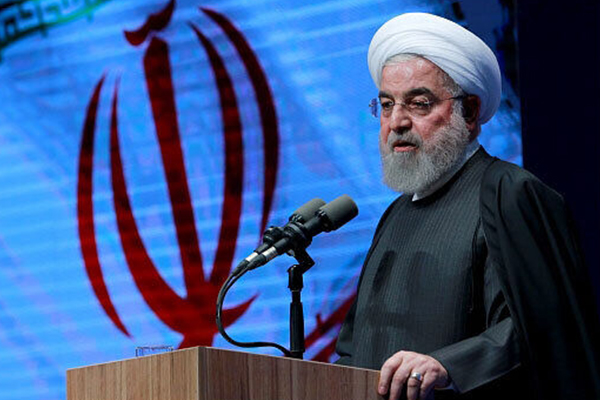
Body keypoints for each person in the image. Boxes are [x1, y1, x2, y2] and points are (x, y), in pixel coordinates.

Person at [335, 12, 600, 400]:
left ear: (470, 112)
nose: (397, 122)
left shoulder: (509, 192)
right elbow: (354, 347)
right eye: (387, 105)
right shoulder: (394, 216)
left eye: (419, 104)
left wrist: (447, 366)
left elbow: (543, 330)